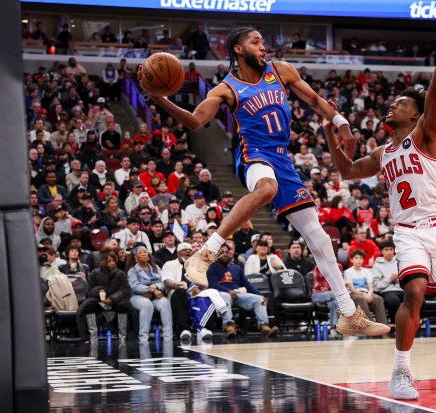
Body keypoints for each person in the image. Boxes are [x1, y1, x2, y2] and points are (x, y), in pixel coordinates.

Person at [139, 26, 388, 337]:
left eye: (263, 41)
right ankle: (205, 254)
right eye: (256, 41)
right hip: (252, 153)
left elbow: (314, 99)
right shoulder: (225, 89)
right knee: (266, 189)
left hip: (283, 158)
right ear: (238, 50)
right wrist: (158, 97)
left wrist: (342, 123)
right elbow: (195, 120)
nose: (263, 46)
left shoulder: (280, 70)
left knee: (320, 239)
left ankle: (349, 313)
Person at [322, 10, 436, 400]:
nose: (392, 106)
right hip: (408, 230)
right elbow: (348, 171)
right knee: (414, 292)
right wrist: (329, 134)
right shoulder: (383, 151)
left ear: (416, 113)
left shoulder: (427, 134)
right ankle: (402, 372)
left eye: (400, 103)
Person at [207, 244, 279, 337]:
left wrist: (260, 295)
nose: (225, 254)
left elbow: (247, 285)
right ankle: (229, 327)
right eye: (222, 252)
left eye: (227, 252)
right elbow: (213, 284)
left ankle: (264, 327)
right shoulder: (212, 268)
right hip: (221, 295)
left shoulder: (236, 268)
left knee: (259, 299)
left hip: (237, 294)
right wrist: (228, 291)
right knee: (226, 296)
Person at [76, 252, 133, 343]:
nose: (112, 263)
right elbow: (89, 292)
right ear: (103, 261)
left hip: (115, 301)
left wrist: (112, 299)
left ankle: (123, 335)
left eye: (114, 261)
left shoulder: (120, 274)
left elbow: (124, 291)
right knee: (88, 306)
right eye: (109, 261)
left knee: (122, 305)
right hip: (99, 300)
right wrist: (99, 290)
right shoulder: (95, 273)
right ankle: (92, 336)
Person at [127, 244, 173, 343]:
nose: (143, 254)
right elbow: (135, 286)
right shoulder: (132, 270)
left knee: (165, 302)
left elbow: (164, 282)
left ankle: (168, 336)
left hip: (155, 296)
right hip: (138, 296)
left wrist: (156, 287)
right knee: (146, 304)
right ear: (135, 257)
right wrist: (151, 289)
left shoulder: (156, 267)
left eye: (145, 251)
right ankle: (143, 337)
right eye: (140, 252)